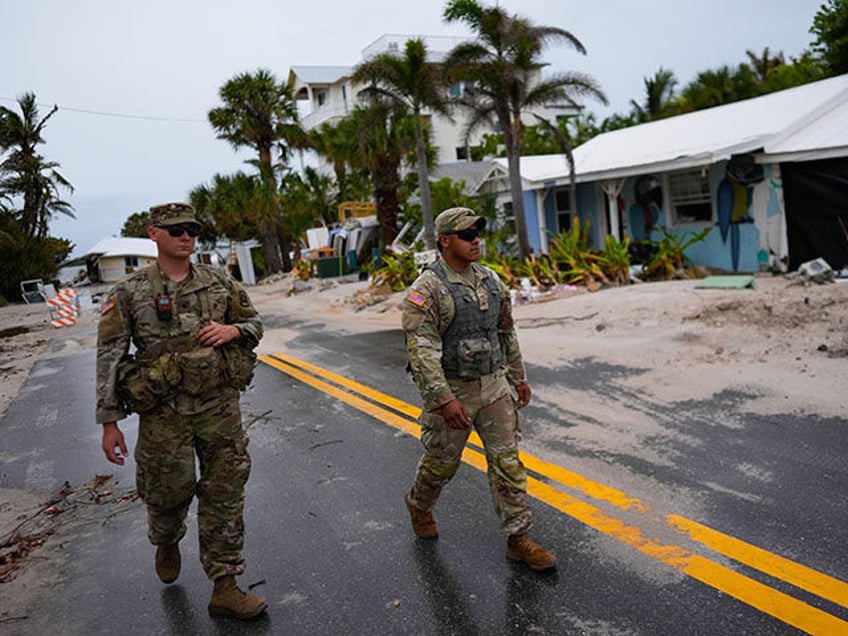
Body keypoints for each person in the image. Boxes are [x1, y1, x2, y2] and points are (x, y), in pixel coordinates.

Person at [96, 202, 267, 619]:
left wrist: (233, 330)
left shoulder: (219, 282)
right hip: (163, 413)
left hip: (218, 406)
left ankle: (224, 584)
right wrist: (109, 423)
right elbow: (110, 357)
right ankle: (166, 539)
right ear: (154, 234)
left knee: (225, 492)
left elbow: (255, 325)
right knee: (167, 493)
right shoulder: (129, 292)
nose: (186, 236)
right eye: (176, 230)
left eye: (191, 229)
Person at [401, 207, 556, 571]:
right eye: (467, 235)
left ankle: (518, 539)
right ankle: (419, 504)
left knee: (507, 463)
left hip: (493, 387)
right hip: (454, 391)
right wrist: (444, 400)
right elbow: (421, 351)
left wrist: (518, 377)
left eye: (477, 233)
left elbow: (505, 332)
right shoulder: (428, 289)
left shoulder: (490, 280)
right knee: (441, 465)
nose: (476, 241)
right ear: (444, 241)